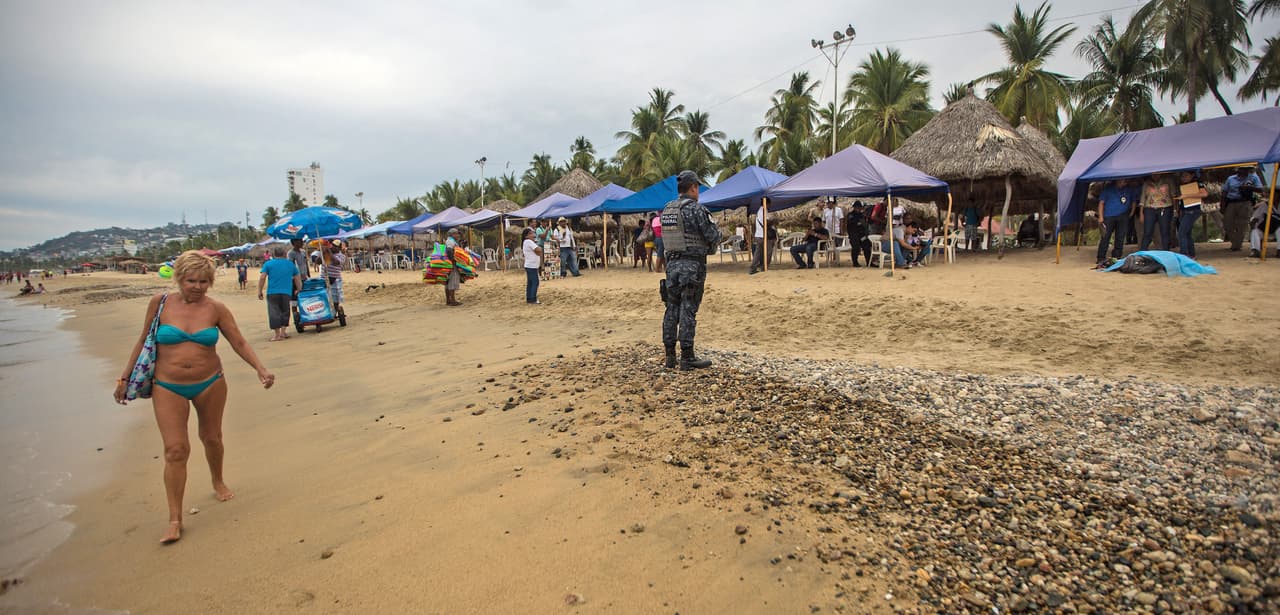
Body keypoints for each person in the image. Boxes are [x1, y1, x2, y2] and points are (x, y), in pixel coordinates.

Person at [113, 250, 275, 545]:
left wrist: (260, 369)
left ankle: (217, 480)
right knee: (175, 450)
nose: (197, 286)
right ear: (179, 279)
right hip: (167, 385)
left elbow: (238, 341)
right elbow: (142, 339)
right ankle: (175, 519)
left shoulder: (216, 309)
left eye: (203, 281)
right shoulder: (160, 304)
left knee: (212, 437)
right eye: (191, 281)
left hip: (210, 383)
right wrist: (124, 377)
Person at [661, 170, 722, 371]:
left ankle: (670, 355)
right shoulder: (697, 210)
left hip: (671, 267)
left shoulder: (667, 209)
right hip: (692, 267)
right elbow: (713, 236)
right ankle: (687, 356)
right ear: (694, 187)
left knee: (671, 308)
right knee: (688, 309)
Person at [257, 247, 300, 341]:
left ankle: (277, 335)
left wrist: (259, 290)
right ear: (284, 254)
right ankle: (283, 332)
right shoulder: (290, 264)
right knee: (285, 311)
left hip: (272, 292)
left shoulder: (268, 264)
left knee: (274, 312)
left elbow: (262, 277)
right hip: (286, 291)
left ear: (274, 254)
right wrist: (299, 289)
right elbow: (297, 277)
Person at [1096, 179, 1138, 267]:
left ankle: (1117, 256)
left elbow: (1134, 201)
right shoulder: (1108, 188)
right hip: (1109, 216)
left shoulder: (1129, 189)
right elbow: (1101, 202)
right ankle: (1101, 257)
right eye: (1122, 181)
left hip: (1123, 215)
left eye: (1125, 181)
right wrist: (1101, 216)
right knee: (1105, 237)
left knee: (1120, 237)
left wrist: (1132, 212)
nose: (1124, 182)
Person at [1223, 166, 1262, 252]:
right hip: (1231, 202)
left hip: (1245, 202)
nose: (1245, 170)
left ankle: (1236, 246)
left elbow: (1261, 189)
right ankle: (1235, 242)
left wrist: (1249, 188)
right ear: (1238, 169)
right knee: (1227, 224)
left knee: (1242, 224)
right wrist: (1222, 205)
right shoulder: (1231, 179)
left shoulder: (1253, 177)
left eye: (1247, 169)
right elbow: (1225, 191)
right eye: (1243, 169)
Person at [1139, 174, 1176, 251]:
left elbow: (1173, 195)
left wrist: (1175, 209)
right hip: (1149, 208)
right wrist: (1141, 213)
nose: (1156, 175)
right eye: (1153, 174)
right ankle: (1143, 251)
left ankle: (1166, 251)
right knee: (1147, 231)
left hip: (1165, 208)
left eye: (1158, 173)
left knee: (1165, 231)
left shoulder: (1168, 181)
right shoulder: (1147, 183)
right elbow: (1143, 198)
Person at [1176, 171, 1208, 258]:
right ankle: (1191, 254)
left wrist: (1187, 196)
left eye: (1186, 176)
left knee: (1181, 233)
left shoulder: (1197, 183)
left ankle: (1184, 254)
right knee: (1187, 233)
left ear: (1192, 175)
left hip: (1193, 210)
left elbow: (1204, 194)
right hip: (1184, 210)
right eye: (1182, 176)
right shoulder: (1182, 185)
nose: (1184, 178)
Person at [321, 239, 347, 315]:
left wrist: (329, 252)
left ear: (339, 248)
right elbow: (318, 261)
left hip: (335, 279)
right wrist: (323, 253)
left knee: (335, 298)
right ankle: (326, 312)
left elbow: (337, 262)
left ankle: (334, 313)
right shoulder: (327, 254)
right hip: (324, 278)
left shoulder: (342, 256)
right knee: (325, 296)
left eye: (335, 247)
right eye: (332, 246)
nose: (333, 248)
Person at [845, 201, 872, 267]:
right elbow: (852, 224)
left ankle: (869, 262)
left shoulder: (862, 215)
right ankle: (855, 262)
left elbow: (865, 224)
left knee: (867, 246)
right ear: (854, 207)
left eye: (859, 207)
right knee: (855, 248)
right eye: (857, 207)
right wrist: (859, 223)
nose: (858, 209)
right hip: (854, 235)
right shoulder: (850, 215)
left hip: (861, 235)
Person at [748, 207, 773, 275]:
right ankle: (764, 267)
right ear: (767, 203)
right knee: (769, 251)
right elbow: (767, 221)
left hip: (758, 235)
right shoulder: (764, 210)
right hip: (763, 235)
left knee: (757, 253)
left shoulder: (758, 211)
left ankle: (752, 268)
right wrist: (771, 222)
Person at [522, 227, 543, 304]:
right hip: (532, 265)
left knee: (530, 283)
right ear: (526, 236)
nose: (533, 235)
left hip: (530, 265)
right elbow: (539, 250)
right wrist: (538, 250)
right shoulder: (528, 241)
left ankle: (529, 298)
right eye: (530, 233)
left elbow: (537, 251)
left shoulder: (527, 242)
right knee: (535, 282)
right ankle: (533, 298)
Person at [821, 197, 845, 265]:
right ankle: (828, 260)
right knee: (828, 246)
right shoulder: (825, 210)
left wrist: (841, 231)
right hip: (828, 231)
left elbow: (841, 220)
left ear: (832, 203)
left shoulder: (838, 210)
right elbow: (823, 221)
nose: (827, 204)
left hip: (836, 230)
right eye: (827, 203)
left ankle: (836, 259)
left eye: (829, 203)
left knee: (836, 246)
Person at [444, 228, 463, 306]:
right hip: (452, 264)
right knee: (452, 281)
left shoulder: (450, 240)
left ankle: (448, 300)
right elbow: (449, 251)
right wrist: (453, 260)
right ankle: (453, 301)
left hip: (448, 264)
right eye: (456, 234)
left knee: (447, 282)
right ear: (452, 234)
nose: (458, 235)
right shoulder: (450, 241)